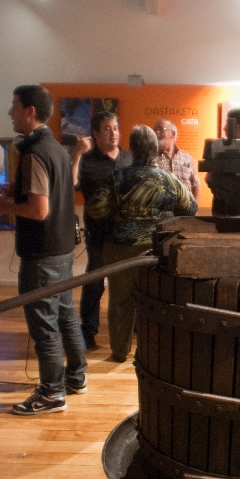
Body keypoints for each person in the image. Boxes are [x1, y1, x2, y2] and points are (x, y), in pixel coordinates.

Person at [0, 85, 87, 415]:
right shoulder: (57, 149)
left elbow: (38, 210)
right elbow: (52, 192)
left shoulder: (34, 152)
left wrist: (4, 205)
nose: (10, 113)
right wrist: (17, 191)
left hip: (42, 255)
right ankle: (76, 377)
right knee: (66, 317)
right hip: (61, 250)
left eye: (14, 106)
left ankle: (51, 393)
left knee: (44, 326)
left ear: (30, 111)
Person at [87, 125, 198, 362]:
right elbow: (191, 208)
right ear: (155, 149)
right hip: (158, 252)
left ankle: (119, 352)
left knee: (120, 302)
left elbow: (95, 209)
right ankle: (156, 352)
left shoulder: (118, 178)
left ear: (132, 149)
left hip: (120, 249)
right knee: (157, 301)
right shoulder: (170, 180)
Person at [71, 112, 132, 349]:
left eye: (115, 128)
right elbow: (70, 183)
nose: (113, 133)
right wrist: (77, 154)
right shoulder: (87, 160)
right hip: (98, 236)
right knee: (94, 284)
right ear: (95, 134)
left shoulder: (128, 158)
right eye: (107, 129)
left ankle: (128, 330)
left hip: (125, 236)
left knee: (126, 287)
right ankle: (88, 332)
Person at [153, 118, 201, 200]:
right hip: (162, 207)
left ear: (172, 134)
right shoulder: (152, 158)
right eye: (155, 130)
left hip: (185, 207)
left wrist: (195, 205)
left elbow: (195, 183)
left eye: (161, 129)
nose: (157, 132)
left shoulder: (186, 157)